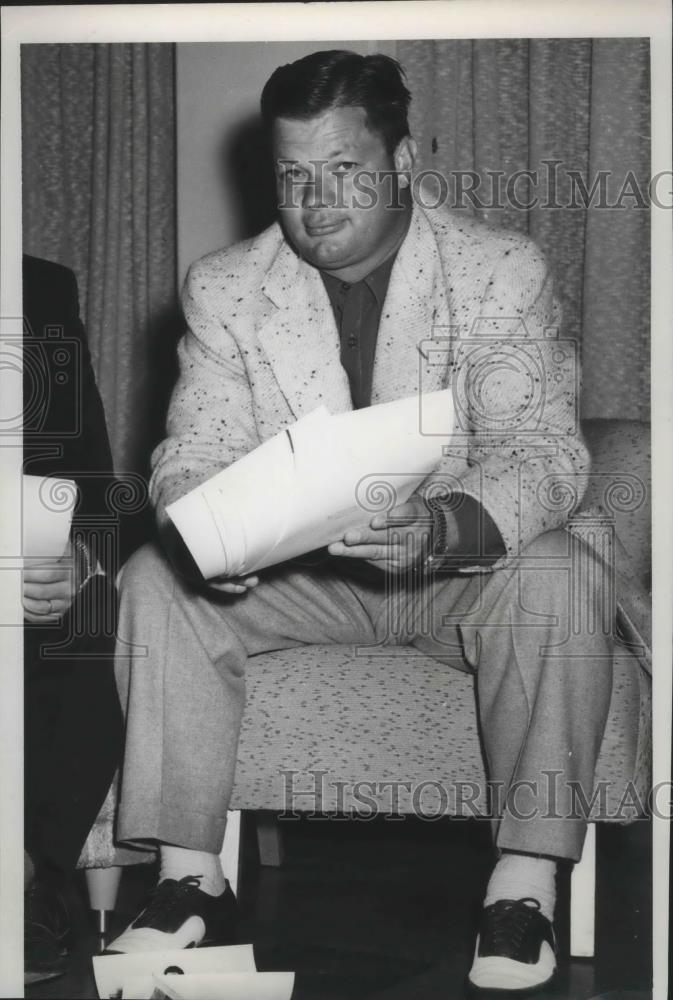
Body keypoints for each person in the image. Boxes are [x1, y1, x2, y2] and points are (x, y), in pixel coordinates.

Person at [108, 51, 644, 994]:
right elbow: (192, 453)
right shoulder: (226, 287)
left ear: (401, 164)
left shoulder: (496, 270)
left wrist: (442, 526)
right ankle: (189, 881)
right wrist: (207, 531)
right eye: (292, 175)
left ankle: (521, 889)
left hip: (459, 575)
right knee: (157, 575)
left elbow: (545, 455)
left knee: (563, 568)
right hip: (305, 583)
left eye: (345, 171)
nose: (316, 202)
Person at [22, 255, 124, 983]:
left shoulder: (40, 289)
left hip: (18, 566)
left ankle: (30, 877)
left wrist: (80, 554)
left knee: (97, 618)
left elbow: (93, 477)